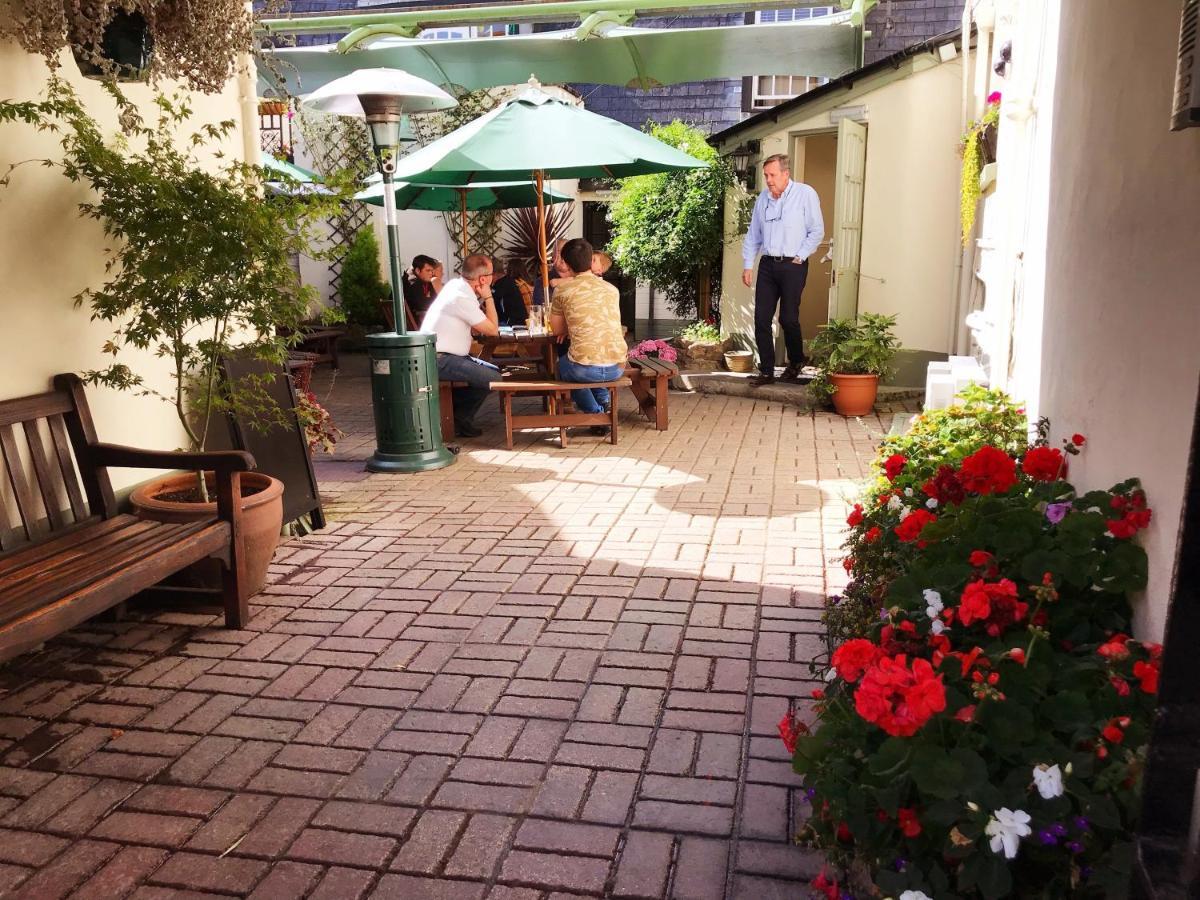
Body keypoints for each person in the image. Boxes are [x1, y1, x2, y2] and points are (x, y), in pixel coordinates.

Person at [741, 153, 824, 386]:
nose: (768, 180)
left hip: (793, 265)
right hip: (768, 264)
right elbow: (753, 235)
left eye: (772, 175)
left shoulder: (805, 194)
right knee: (761, 319)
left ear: (785, 174)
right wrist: (748, 265)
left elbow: (816, 230)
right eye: (766, 175)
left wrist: (801, 255)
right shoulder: (763, 200)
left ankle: (796, 361)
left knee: (788, 318)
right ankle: (766, 370)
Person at [419, 254, 502, 438]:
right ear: (482, 279)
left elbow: (476, 325)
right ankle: (453, 418)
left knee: (494, 372)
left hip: (445, 356)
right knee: (492, 378)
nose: (492, 278)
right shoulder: (461, 296)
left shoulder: (456, 287)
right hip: (440, 359)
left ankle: (457, 418)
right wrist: (488, 297)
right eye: (491, 274)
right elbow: (492, 330)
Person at [550, 238, 627, 434]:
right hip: (617, 366)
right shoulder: (612, 290)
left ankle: (597, 415)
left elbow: (557, 330)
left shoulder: (563, 290)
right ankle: (604, 404)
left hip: (584, 370)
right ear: (591, 260)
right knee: (591, 361)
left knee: (563, 367)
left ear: (566, 263)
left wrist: (569, 327)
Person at [492, 257, 531, 326]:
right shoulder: (512, 281)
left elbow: (494, 307)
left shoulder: (502, 284)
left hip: (513, 325)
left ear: (493, 274)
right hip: (524, 321)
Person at [402, 254, 439, 326]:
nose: (431, 273)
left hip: (411, 326)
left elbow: (437, 300)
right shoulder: (411, 282)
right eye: (428, 270)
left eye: (432, 271)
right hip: (415, 329)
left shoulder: (424, 281)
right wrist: (428, 298)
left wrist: (428, 297)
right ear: (418, 271)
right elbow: (422, 305)